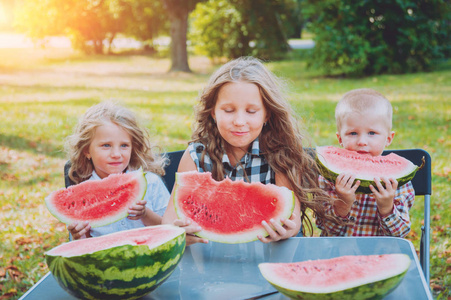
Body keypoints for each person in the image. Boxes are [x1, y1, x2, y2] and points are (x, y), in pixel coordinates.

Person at [162, 56, 335, 245]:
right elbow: (169, 221)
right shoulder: (196, 156)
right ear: (213, 112)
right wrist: (180, 233)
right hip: (211, 260)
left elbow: (291, 217)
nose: (239, 121)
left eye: (251, 112)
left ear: (267, 114)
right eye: (228, 110)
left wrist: (289, 228)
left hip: (269, 256)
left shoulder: (281, 155)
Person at [316, 88, 415, 237]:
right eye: (353, 133)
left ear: (388, 138)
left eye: (372, 133)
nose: (362, 142)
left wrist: (387, 207)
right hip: (337, 254)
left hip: (380, 256)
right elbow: (326, 228)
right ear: (340, 138)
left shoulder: (397, 182)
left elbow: (399, 234)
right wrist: (343, 203)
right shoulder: (329, 178)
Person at [65, 101, 170, 240]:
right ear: (87, 151)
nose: (116, 154)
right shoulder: (82, 197)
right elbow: (85, 246)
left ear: (133, 147)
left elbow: (171, 229)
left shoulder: (150, 182)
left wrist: (145, 215)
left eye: (124, 145)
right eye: (106, 145)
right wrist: (78, 235)